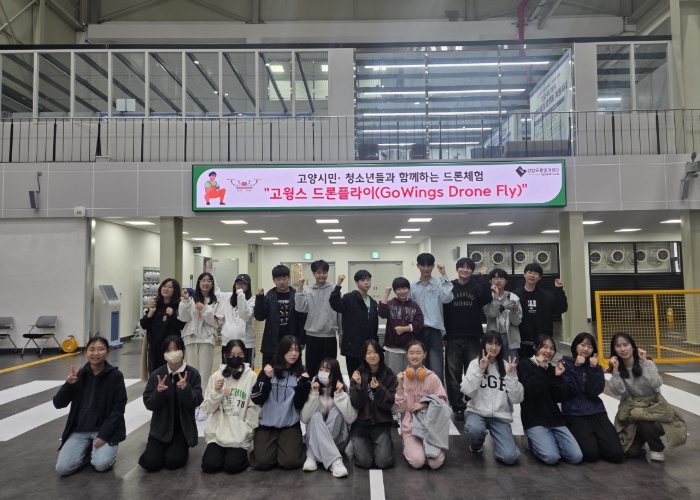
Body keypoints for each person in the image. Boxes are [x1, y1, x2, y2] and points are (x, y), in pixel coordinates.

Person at [53, 336, 127, 476]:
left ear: (108, 352)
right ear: (85, 353)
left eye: (101, 349)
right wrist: (69, 385)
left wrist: (104, 434)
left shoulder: (115, 376)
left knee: (102, 464)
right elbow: (58, 404)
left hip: (103, 431)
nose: (96, 353)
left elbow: (118, 409)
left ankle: (93, 451)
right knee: (63, 468)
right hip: (79, 430)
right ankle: (87, 452)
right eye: (92, 350)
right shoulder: (79, 376)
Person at [608, 332, 687, 461]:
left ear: (633, 346)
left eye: (625, 345)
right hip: (631, 413)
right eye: (618, 346)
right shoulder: (618, 368)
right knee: (629, 452)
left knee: (644, 419)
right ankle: (643, 436)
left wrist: (645, 362)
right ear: (614, 350)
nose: (622, 349)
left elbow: (656, 383)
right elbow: (618, 391)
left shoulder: (645, 363)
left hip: (653, 410)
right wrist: (615, 371)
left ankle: (657, 448)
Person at [139, 336, 203, 472]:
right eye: (168, 350)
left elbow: (197, 401)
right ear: (163, 353)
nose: (172, 353)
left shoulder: (192, 374)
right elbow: (149, 404)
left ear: (183, 350)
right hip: (160, 428)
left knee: (173, 462)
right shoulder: (157, 374)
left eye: (176, 349)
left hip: (182, 428)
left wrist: (186, 389)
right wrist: (158, 392)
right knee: (150, 463)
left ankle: (181, 447)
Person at [517, 334, 583, 465]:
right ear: (535, 347)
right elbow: (531, 389)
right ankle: (532, 440)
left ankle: (549, 441)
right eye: (544, 347)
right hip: (534, 420)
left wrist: (558, 377)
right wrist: (541, 369)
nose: (548, 351)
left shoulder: (553, 369)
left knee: (576, 457)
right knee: (551, 458)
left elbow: (560, 397)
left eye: (552, 348)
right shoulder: (525, 364)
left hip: (554, 419)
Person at [560, 333, 624, 463]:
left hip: (596, 410)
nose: (586, 349)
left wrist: (594, 370)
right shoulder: (565, 364)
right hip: (574, 412)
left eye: (590, 346)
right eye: (582, 345)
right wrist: (577, 368)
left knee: (616, 454)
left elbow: (594, 391)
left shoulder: (595, 366)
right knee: (590, 454)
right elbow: (571, 391)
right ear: (575, 346)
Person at [249, 335, 311, 470]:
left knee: (291, 462)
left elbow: (299, 404)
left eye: (297, 350)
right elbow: (256, 398)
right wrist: (266, 379)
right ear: (282, 351)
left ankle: (293, 446)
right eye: (290, 350)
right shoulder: (268, 371)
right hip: (267, 424)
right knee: (262, 463)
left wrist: (303, 385)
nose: (294, 354)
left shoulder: (301, 375)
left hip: (289, 425)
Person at [461, 331, 523, 465]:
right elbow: (466, 390)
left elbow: (517, 398)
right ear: (484, 344)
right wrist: (480, 370)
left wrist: (511, 376)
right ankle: (476, 444)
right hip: (477, 412)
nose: (494, 347)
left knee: (509, 457)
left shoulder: (507, 367)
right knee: (475, 429)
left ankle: (502, 446)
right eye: (490, 343)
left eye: (497, 344)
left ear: (501, 347)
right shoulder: (475, 363)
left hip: (500, 417)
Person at [443, 257, 493, 421]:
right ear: (457, 269)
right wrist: (444, 335)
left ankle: (473, 404)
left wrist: (484, 277)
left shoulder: (477, 287)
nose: (465, 270)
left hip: (473, 337)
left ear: (472, 270)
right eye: (462, 267)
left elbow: (487, 298)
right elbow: (443, 311)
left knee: (474, 373)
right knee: (453, 376)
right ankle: (458, 407)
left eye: (468, 268)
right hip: (453, 337)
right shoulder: (450, 286)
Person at [200, 339, 261, 474]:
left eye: (240, 355)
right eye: (232, 355)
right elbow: (207, 409)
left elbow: (254, 408)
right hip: (218, 433)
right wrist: (216, 392)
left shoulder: (251, 377)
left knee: (232, 466)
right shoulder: (216, 377)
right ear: (225, 355)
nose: (235, 358)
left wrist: (247, 430)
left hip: (239, 434)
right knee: (210, 465)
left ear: (244, 355)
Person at [395, 340, 450, 469]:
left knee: (435, 463)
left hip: (431, 429)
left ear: (425, 354)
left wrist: (425, 403)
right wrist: (400, 387)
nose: (415, 356)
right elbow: (400, 409)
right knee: (418, 462)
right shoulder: (402, 378)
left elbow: (444, 402)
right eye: (411, 353)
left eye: (418, 353)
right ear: (407, 354)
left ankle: (426, 448)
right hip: (410, 429)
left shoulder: (433, 378)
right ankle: (408, 445)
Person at [301, 358, 356, 478]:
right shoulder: (312, 387)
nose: (323, 373)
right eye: (321, 369)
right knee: (315, 415)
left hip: (337, 441)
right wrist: (314, 394)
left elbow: (351, 418)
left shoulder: (342, 388)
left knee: (337, 411)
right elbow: (304, 419)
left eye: (327, 370)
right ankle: (335, 460)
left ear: (334, 373)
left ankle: (313, 456)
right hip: (316, 439)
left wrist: (340, 395)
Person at [179, 271, 223, 421]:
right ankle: (193, 404)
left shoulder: (217, 301)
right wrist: (185, 302)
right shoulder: (190, 299)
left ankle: (203, 405)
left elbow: (217, 322)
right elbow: (183, 318)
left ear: (212, 284)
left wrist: (204, 309)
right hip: (190, 338)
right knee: (191, 373)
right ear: (198, 283)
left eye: (209, 281)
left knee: (204, 374)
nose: (206, 283)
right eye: (203, 280)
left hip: (207, 339)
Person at [349, 339, 398, 469]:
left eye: (375, 352)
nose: (372, 355)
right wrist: (359, 386)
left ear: (380, 354)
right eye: (368, 352)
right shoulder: (357, 374)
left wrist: (378, 389)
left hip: (381, 424)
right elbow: (356, 404)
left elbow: (388, 404)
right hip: (360, 425)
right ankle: (367, 445)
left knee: (383, 462)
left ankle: (383, 445)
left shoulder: (389, 375)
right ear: (363, 356)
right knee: (364, 462)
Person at [409, 253, 453, 383]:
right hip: (417, 330)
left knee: (436, 367)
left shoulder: (439, 284)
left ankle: (437, 395)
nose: (426, 268)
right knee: (418, 366)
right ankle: (419, 394)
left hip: (434, 330)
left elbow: (447, 299)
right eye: (423, 265)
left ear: (433, 266)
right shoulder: (413, 286)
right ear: (418, 266)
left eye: (429, 265)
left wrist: (444, 275)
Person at [512, 263, 568, 359]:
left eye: (536, 273)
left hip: (541, 343)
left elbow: (561, 308)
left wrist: (559, 290)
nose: (532, 275)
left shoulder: (546, 296)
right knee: (523, 365)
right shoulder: (515, 295)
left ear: (540, 277)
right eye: (530, 272)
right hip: (521, 342)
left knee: (541, 365)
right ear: (524, 274)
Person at [295, 260, 340, 378]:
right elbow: (300, 308)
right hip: (311, 336)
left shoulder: (334, 291)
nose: (322, 275)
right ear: (313, 274)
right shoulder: (309, 292)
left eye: (324, 272)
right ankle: (312, 389)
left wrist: (341, 335)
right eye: (318, 272)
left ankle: (329, 389)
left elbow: (340, 313)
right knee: (312, 369)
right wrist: (300, 289)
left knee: (329, 371)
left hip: (329, 336)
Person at [255, 265, 306, 368]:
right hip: (272, 343)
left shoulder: (296, 297)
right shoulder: (269, 297)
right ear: (273, 280)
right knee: (269, 372)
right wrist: (259, 299)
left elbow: (302, 320)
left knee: (293, 372)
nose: (281, 282)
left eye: (284, 278)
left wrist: (301, 340)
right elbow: (259, 317)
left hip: (292, 341)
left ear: (289, 278)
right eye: (278, 279)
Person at [329, 270, 379, 375]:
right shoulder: (350, 298)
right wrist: (338, 285)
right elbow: (335, 304)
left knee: (369, 376)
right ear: (357, 283)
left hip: (369, 347)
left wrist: (376, 345)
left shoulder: (373, 302)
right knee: (354, 376)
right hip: (353, 346)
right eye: (363, 280)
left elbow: (374, 326)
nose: (366, 282)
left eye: (368, 280)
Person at [378, 277, 424, 376]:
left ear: (408, 289)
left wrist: (405, 329)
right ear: (395, 291)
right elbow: (381, 312)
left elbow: (419, 324)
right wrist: (386, 294)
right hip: (392, 348)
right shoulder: (390, 304)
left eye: (404, 288)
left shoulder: (414, 305)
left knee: (410, 377)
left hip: (410, 349)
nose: (402, 291)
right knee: (393, 378)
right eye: (398, 289)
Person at [140, 278, 186, 375]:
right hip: (155, 347)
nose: (166, 289)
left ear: (175, 290)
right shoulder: (155, 304)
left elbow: (181, 326)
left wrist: (172, 315)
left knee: (171, 374)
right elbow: (144, 325)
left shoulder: (179, 305)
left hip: (171, 348)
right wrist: (150, 314)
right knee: (155, 374)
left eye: (170, 287)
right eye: (164, 286)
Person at [219, 274, 257, 368]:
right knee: (227, 370)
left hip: (246, 343)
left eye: (244, 284)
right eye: (238, 283)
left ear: (248, 286)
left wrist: (240, 295)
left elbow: (245, 315)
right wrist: (211, 272)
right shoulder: (227, 297)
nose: (240, 286)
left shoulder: (252, 300)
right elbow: (215, 291)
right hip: (227, 341)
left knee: (246, 371)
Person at [483, 268, 521, 361]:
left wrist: (514, 313)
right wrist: (495, 298)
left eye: (501, 278)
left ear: (506, 281)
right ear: (490, 281)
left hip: (510, 338)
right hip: (492, 337)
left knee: (510, 365)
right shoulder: (487, 297)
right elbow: (492, 314)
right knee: (492, 364)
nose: (498, 281)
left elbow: (517, 322)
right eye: (495, 278)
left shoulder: (513, 297)